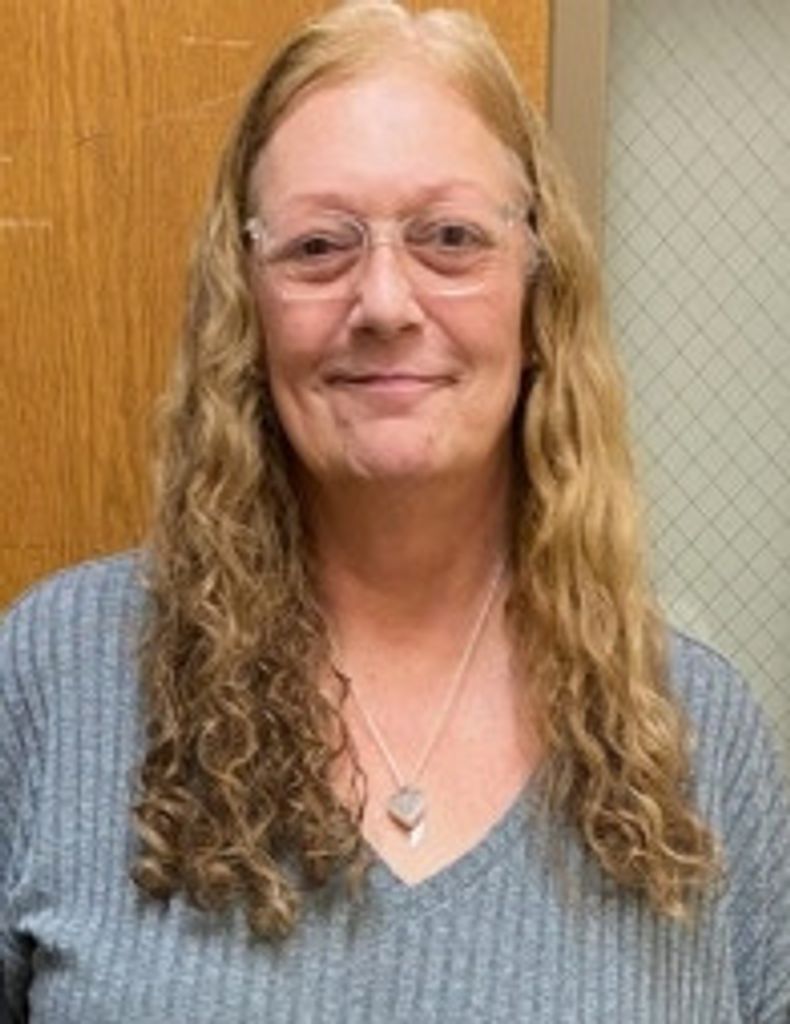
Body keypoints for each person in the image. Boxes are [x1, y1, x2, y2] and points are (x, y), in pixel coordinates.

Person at [1, 1, 788, 1021]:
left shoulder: (695, 731)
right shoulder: (55, 677)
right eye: (318, 246)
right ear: (244, 301)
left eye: (450, 238)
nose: (382, 302)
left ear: (538, 287)